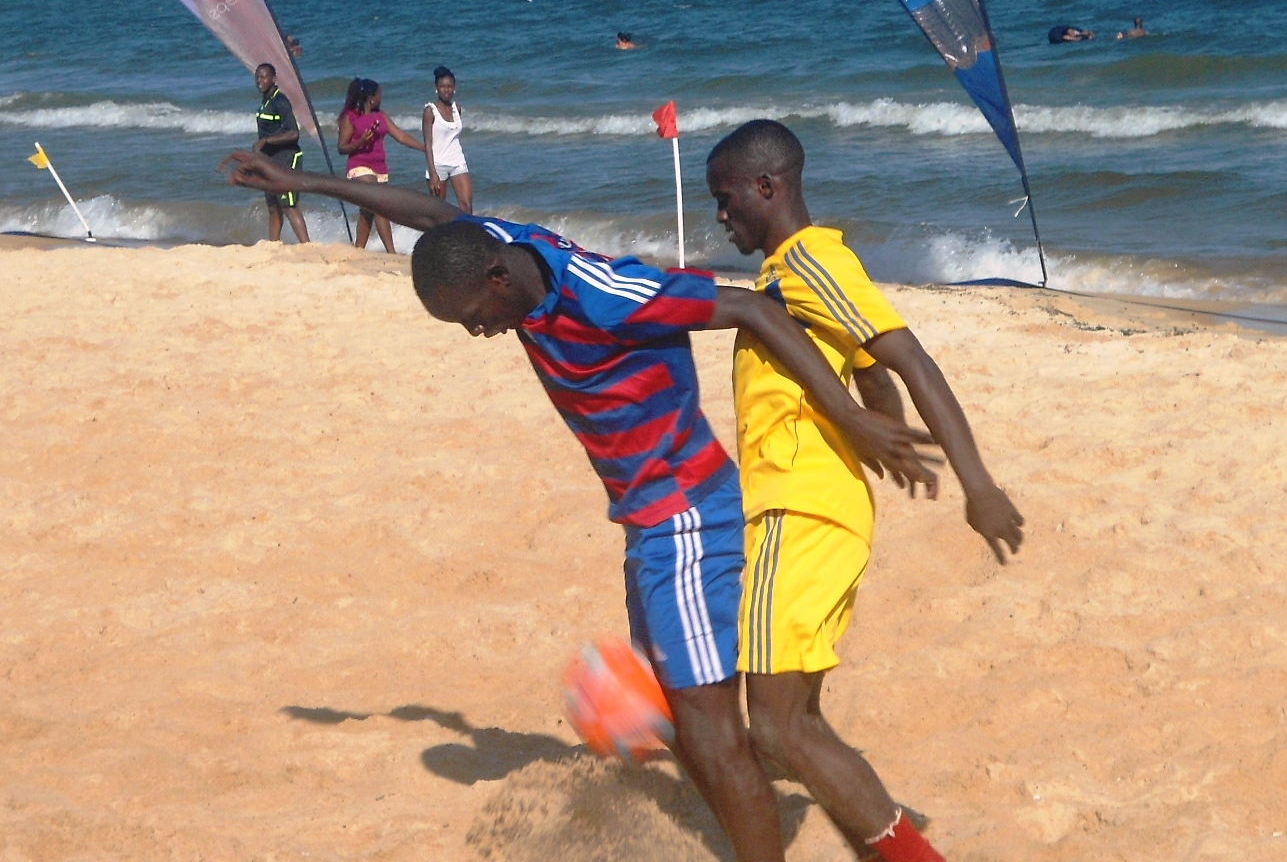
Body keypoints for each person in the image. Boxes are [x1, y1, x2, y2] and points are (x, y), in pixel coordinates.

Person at [218, 148, 936, 862]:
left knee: (716, 739)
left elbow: (748, 305)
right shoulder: (508, 250)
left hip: (684, 518)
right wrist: (300, 182)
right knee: (688, 731)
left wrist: (848, 413)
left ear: (496, 278)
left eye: (477, 316)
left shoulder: (604, 294)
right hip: (646, 525)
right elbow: (432, 215)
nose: (480, 332)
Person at [705, 120, 1025, 862]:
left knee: (777, 726)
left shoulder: (808, 262)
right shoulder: (791, 272)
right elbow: (872, 369)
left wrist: (977, 485)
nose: (721, 215)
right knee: (799, 718)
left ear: (766, 186)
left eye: (726, 199)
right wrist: (882, 428)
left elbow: (908, 356)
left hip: (801, 507)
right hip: (813, 506)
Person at [337, 78, 425, 253]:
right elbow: (342, 148)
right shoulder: (351, 117)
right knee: (380, 204)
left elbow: (401, 136)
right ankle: (391, 252)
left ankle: (358, 249)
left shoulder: (381, 116)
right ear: (371, 98)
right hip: (358, 167)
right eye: (379, 95)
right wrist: (361, 141)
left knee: (367, 212)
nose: (381, 98)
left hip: (380, 169)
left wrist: (425, 148)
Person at [253, 62, 309, 244]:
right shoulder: (266, 101)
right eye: (257, 77)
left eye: (263, 77)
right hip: (269, 160)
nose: (259, 81)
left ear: (273, 79)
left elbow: (294, 133)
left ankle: (306, 245)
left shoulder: (280, 102)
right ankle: (273, 245)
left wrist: (266, 141)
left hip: (287, 158)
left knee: (288, 205)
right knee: (272, 205)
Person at [422, 66, 473, 214]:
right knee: (439, 210)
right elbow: (428, 143)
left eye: (449, 86)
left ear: (454, 88)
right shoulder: (430, 112)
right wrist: (432, 173)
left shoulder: (457, 108)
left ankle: (467, 236)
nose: (447, 90)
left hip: (457, 161)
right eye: (443, 87)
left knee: (466, 206)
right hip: (438, 164)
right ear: (436, 88)